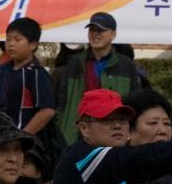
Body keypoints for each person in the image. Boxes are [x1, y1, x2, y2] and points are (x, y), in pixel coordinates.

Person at [0, 17, 64, 174]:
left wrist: (21, 137)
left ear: (33, 44)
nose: (11, 44)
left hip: (28, 148)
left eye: (17, 39)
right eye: (8, 39)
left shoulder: (37, 74)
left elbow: (47, 110)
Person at [56, 12, 143, 143]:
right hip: (75, 134)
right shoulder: (76, 62)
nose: (95, 34)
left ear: (113, 34)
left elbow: (135, 100)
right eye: (92, 30)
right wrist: (61, 128)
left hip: (113, 135)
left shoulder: (125, 65)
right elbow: (61, 101)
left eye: (101, 30)